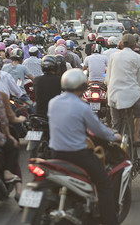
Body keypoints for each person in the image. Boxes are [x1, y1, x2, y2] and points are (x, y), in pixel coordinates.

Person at [48, 68, 121, 225]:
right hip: (78, 156)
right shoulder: (82, 107)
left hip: (54, 154)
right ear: (82, 87)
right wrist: (115, 136)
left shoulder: (53, 103)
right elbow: (99, 130)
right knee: (105, 184)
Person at [105, 34, 140, 146]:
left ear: (121, 44)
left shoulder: (113, 56)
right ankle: (136, 136)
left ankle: (115, 143)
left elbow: (108, 78)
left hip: (114, 94)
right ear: (135, 45)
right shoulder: (139, 58)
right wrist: (139, 91)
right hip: (132, 94)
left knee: (115, 123)